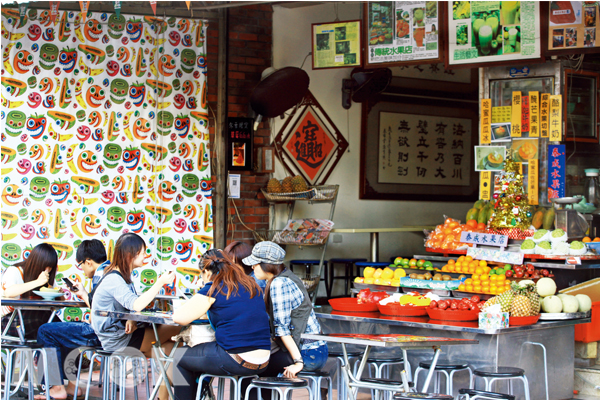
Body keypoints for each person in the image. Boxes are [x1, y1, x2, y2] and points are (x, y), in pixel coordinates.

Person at [171, 249, 271, 400]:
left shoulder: (213, 287)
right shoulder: (250, 284)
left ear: (206, 271)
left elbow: (179, 318)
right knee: (200, 355)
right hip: (264, 360)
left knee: (180, 356)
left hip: (235, 359)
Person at [90, 232, 178, 399]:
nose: (145, 255)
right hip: (117, 340)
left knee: (174, 350)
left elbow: (130, 306)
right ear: (131, 254)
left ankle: (163, 397)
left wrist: (131, 317)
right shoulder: (114, 279)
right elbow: (136, 304)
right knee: (179, 326)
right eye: (143, 251)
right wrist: (159, 282)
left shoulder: (121, 277)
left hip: (120, 335)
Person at [34, 239, 109, 400]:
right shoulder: (110, 270)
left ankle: (56, 387)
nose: (81, 268)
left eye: (81, 264)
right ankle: (72, 386)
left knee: (45, 330)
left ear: (88, 262)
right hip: (109, 331)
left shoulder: (101, 275)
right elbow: (101, 309)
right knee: (62, 330)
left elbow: (98, 311)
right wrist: (83, 293)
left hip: (100, 333)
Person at [243, 242, 328, 381]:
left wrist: (298, 362)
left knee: (251, 366)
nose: (252, 267)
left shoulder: (279, 283)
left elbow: (282, 329)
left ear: (267, 264)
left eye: (255, 263)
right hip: (314, 349)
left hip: (308, 354)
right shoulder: (285, 276)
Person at [1, 243, 59, 340]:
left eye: (51, 267)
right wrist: (37, 282)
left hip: (35, 320)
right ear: (37, 262)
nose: (47, 270)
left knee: (56, 329)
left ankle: (65, 353)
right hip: (8, 321)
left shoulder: (46, 276)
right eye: (46, 266)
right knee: (49, 323)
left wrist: (58, 291)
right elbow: (8, 292)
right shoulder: (15, 271)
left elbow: (59, 299)